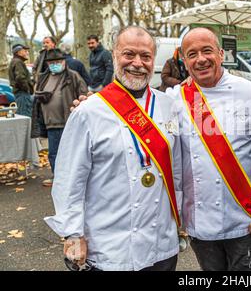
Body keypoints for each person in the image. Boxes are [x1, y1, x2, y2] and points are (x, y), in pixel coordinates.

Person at [44, 26, 182, 271]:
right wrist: (73, 234)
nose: (137, 63)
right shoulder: (88, 111)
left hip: (161, 244)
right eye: (129, 54)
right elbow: (69, 179)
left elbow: (179, 168)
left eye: (146, 56)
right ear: (115, 55)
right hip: (110, 247)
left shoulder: (169, 105)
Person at [166, 27, 251, 271]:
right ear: (184, 61)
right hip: (200, 219)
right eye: (192, 54)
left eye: (207, 51)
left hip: (244, 217)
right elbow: (135, 110)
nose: (201, 59)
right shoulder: (173, 99)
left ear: (221, 54)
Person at [34, 48, 88, 182]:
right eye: (52, 62)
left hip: (69, 121)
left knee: (72, 152)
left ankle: (73, 178)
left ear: (64, 61)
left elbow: (84, 95)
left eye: (58, 61)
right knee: (53, 152)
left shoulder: (73, 76)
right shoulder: (43, 78)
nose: (55, 64)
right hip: (51, 122)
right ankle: (57, 177)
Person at [8, 44, 34, 117]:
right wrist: (27, 88)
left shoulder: (15, 61)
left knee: (22, 114)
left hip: (20, 93)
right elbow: (20, 78)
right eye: (25, 51)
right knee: (25, 115)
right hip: (22, 93)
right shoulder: (18, 62)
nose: (27, 53)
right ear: (18, 52)